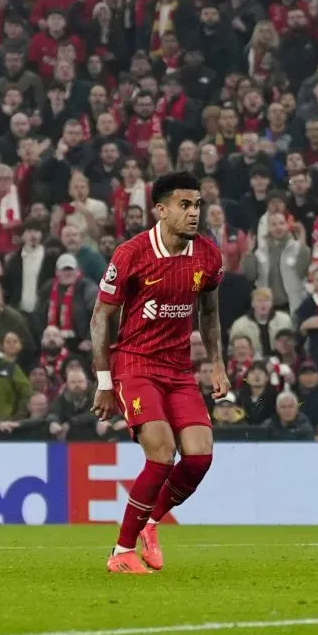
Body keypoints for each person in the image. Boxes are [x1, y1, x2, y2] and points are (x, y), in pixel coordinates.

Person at [90, 171, 231, 575]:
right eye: (185, 205)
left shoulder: (208, 254)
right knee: (161, 452)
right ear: (161, 209)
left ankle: (151, 523)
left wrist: (217, 362)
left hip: (178, 369)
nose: (193, 213)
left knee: (200, 456)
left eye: (198, 205)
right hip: (135, 364)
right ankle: (120, 551)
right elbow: (102, 317)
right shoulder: (131, 253)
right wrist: (103, 381)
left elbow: (209, 311)